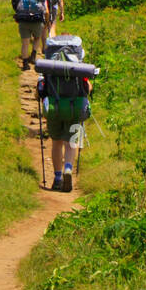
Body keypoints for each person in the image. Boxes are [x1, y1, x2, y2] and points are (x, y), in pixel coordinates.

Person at [36, 34, 93, 193]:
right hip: (74, 109)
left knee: (57, 142)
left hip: (54, 109)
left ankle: (57, 177)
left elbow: (40, 90)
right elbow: (87, 89)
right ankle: (68, 168)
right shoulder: (79, 69)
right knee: (71, 143)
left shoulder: (49, 68)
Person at [11, 0, 47, 70]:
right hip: (37, 19)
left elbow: (14, 4)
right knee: (37, 38)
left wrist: (20, 14)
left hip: (23, 19)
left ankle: (25, 64)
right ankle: (33, 55)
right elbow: (44, 3)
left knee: (25, 43)